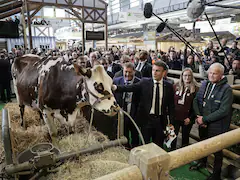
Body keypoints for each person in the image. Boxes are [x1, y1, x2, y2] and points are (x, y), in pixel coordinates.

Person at [113, 61, 175, 148]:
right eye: (153, 70)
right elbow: (131, 87)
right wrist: (116, 87)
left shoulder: (168, 86)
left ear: (164, 72)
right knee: (144, 145)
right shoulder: (145, 82)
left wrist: (171, 123)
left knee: (158, 146)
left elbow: (171, 106)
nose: (154, 73)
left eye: (157, 71)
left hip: (160, 121)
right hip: (146, 120)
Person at [190, 63, 233, 180]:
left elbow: (223, 110)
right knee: (203, 144)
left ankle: (216, 174)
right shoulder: (205, 84)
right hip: (203, 122)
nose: (211, 75)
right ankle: (202, 162)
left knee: (217, 150)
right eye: (210, 72)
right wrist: (199, 116)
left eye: (215, 73)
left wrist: (204, 119)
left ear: (221, 75)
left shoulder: (227, 89)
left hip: (217, 125)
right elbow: (196, 100)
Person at [113, 62, 141, 148]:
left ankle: (135, 151)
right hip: (121, 115)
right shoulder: (117, 81)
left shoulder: (139, 82)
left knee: (135, 136)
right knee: (123, 135)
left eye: (130, 72)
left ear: (134, 72)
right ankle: (125, 150)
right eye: (125, 72)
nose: (127, 74)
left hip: (134, 115)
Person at [171, 68, 199, 150]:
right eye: (185, 75)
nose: (187, 77)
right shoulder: (175, 86)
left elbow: (196, 106)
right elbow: (171, 101)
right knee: (171, 135)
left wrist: (190, 118)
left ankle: (184, 154)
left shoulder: (196, 89)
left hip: (187, 118)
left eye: (189, 75)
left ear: (192, 76)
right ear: (182, 76)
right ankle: (170, 151)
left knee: (185, 137)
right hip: (175, 116)